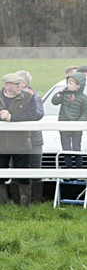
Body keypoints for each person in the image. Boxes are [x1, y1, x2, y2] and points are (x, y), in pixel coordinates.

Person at [0, 73, 39, 206]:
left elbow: (33, 115)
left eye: (20, 84)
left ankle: (24, 205)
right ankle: (3, 204)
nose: (20, 86)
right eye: (16, 84)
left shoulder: (28, 98)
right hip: (1, 143)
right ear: (7, 85)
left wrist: (12, 117)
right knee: (0, 174)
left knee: (23, 174)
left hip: (21, 142)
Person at [51, 71, 87, 169]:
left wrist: (78, 124)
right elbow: (54, 102)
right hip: (64, 127)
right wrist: (60, 93)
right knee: (66, 149)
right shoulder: (64, 95)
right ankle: (68, 168)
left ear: (79, 86)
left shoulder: (84, 99)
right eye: (68, 82)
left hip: (76, 129)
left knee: (77, 148)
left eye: (71, 83)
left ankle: (79, 168)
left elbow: (86, 113)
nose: (68, 85)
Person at [15, 71, 45, 202]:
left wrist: (17, 115)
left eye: (17, 82)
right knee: (16, 170)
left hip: (34, 139)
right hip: (16, 140)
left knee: (35, 170)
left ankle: (37, 200)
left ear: (24, 83)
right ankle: (19, 201)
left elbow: (38, 114)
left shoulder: (35, 97)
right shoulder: (11, 97)